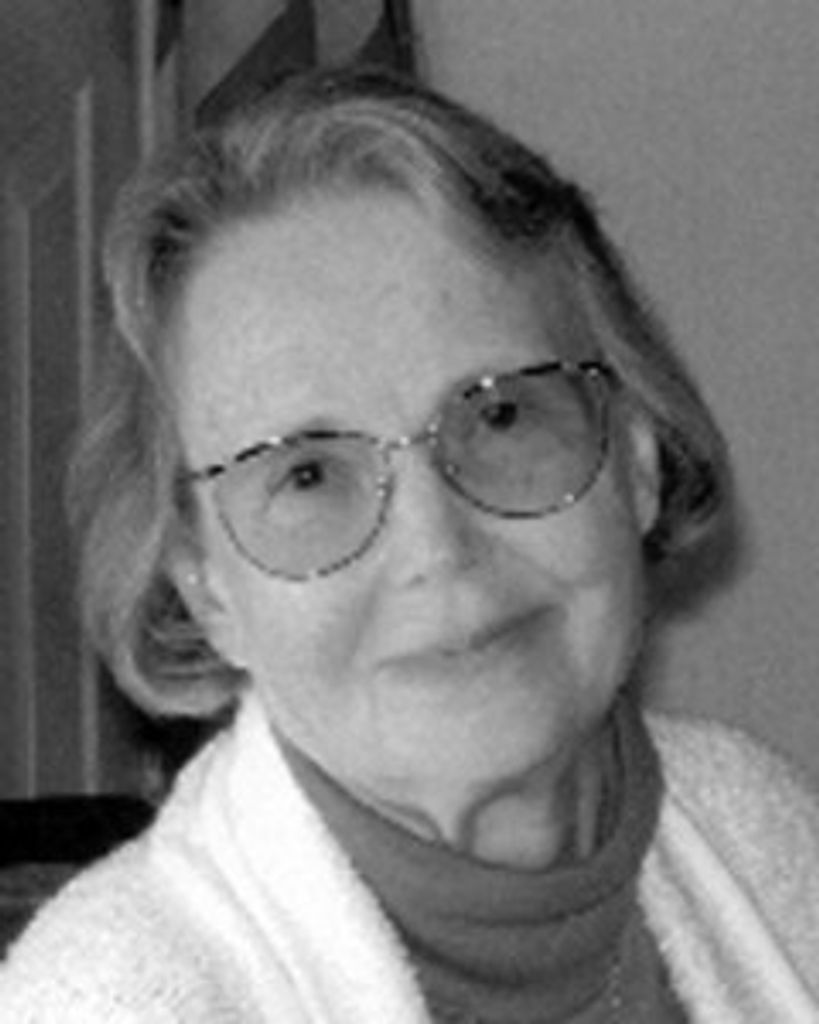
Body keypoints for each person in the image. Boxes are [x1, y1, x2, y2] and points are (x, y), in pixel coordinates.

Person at [2, 66, 819, 1024]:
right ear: (205, 588)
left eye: (501, 416)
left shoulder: (759, 828)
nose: (438, 547)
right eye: (308, 474)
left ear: (633, 459)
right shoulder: (108, 1002)